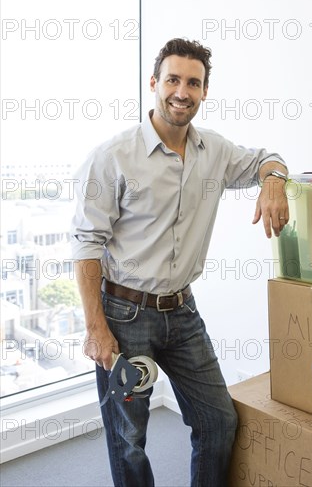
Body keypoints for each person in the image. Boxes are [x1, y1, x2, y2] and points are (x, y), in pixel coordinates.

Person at [71, 38, 289, 487]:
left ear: (205, 91)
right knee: (128, 438)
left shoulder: (216, 152)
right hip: (124, 315)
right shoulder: (113, 157)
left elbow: (268, 158)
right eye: (173, 79)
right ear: (154, 83)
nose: (182, 91)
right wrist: (96, 327)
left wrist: (274, 181)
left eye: (194, 82)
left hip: (183, 313)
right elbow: (86, 244)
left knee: (218, 422)